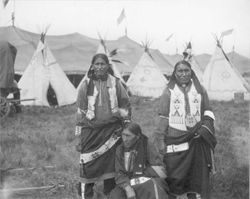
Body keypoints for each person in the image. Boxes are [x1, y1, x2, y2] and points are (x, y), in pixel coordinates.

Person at [154, 60, 217, 199]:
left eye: (186, 70)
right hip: (176, 140)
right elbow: (163, 117)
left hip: (196, 139)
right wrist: (160, 140)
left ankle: (194, 196)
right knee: (176, 176)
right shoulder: (168, 91)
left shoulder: (200, 90)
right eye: (180, 71)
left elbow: (208, 111)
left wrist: (204, 128)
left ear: (191, 72)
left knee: (196, 176)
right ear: (175, 74)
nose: (183, 74)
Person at [75, 53, 131, 199]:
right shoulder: (85, 85)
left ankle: (110, 195)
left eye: (102, 64)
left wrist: (126, 127)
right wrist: (78, 137)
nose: (99, 67)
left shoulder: (116, 83)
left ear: (108, 66)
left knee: (111, 168)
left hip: (112, 133)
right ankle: (86, 196)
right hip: (90, 133)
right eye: (97, 64)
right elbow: (80, 112)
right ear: (92, 66)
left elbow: (126, 105)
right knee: (87, 167)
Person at [109, 122, 169, 199]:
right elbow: (119, 173)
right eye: (123, 135)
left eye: (128, 136)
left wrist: (143, 172)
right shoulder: (120, 149)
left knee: (154, 188)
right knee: (115, 196)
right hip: (126, 182)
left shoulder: (147, 145)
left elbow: (159, 169)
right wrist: (128, 188)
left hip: (146, 178)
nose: (125, 139)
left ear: (137, 136)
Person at [0, 41, 21, 113]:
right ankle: (18, 107)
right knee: (16, 89)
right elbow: (14, 50)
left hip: (5, 81)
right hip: (8, 80)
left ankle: (16, 107)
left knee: (12, 88)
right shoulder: (7, 63)